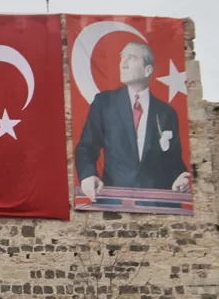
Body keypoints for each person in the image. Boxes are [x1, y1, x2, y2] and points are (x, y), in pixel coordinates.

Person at [74, 41, 190, 200]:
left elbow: (173, 160)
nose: (123, 64)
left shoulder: (167, 113)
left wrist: (180, 177)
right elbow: (86, 147)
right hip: (114, 203)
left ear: (147, 70)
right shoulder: (104, 103)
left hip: (158, 206)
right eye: (122, 58)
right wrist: (88, 176)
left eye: (132, 58)